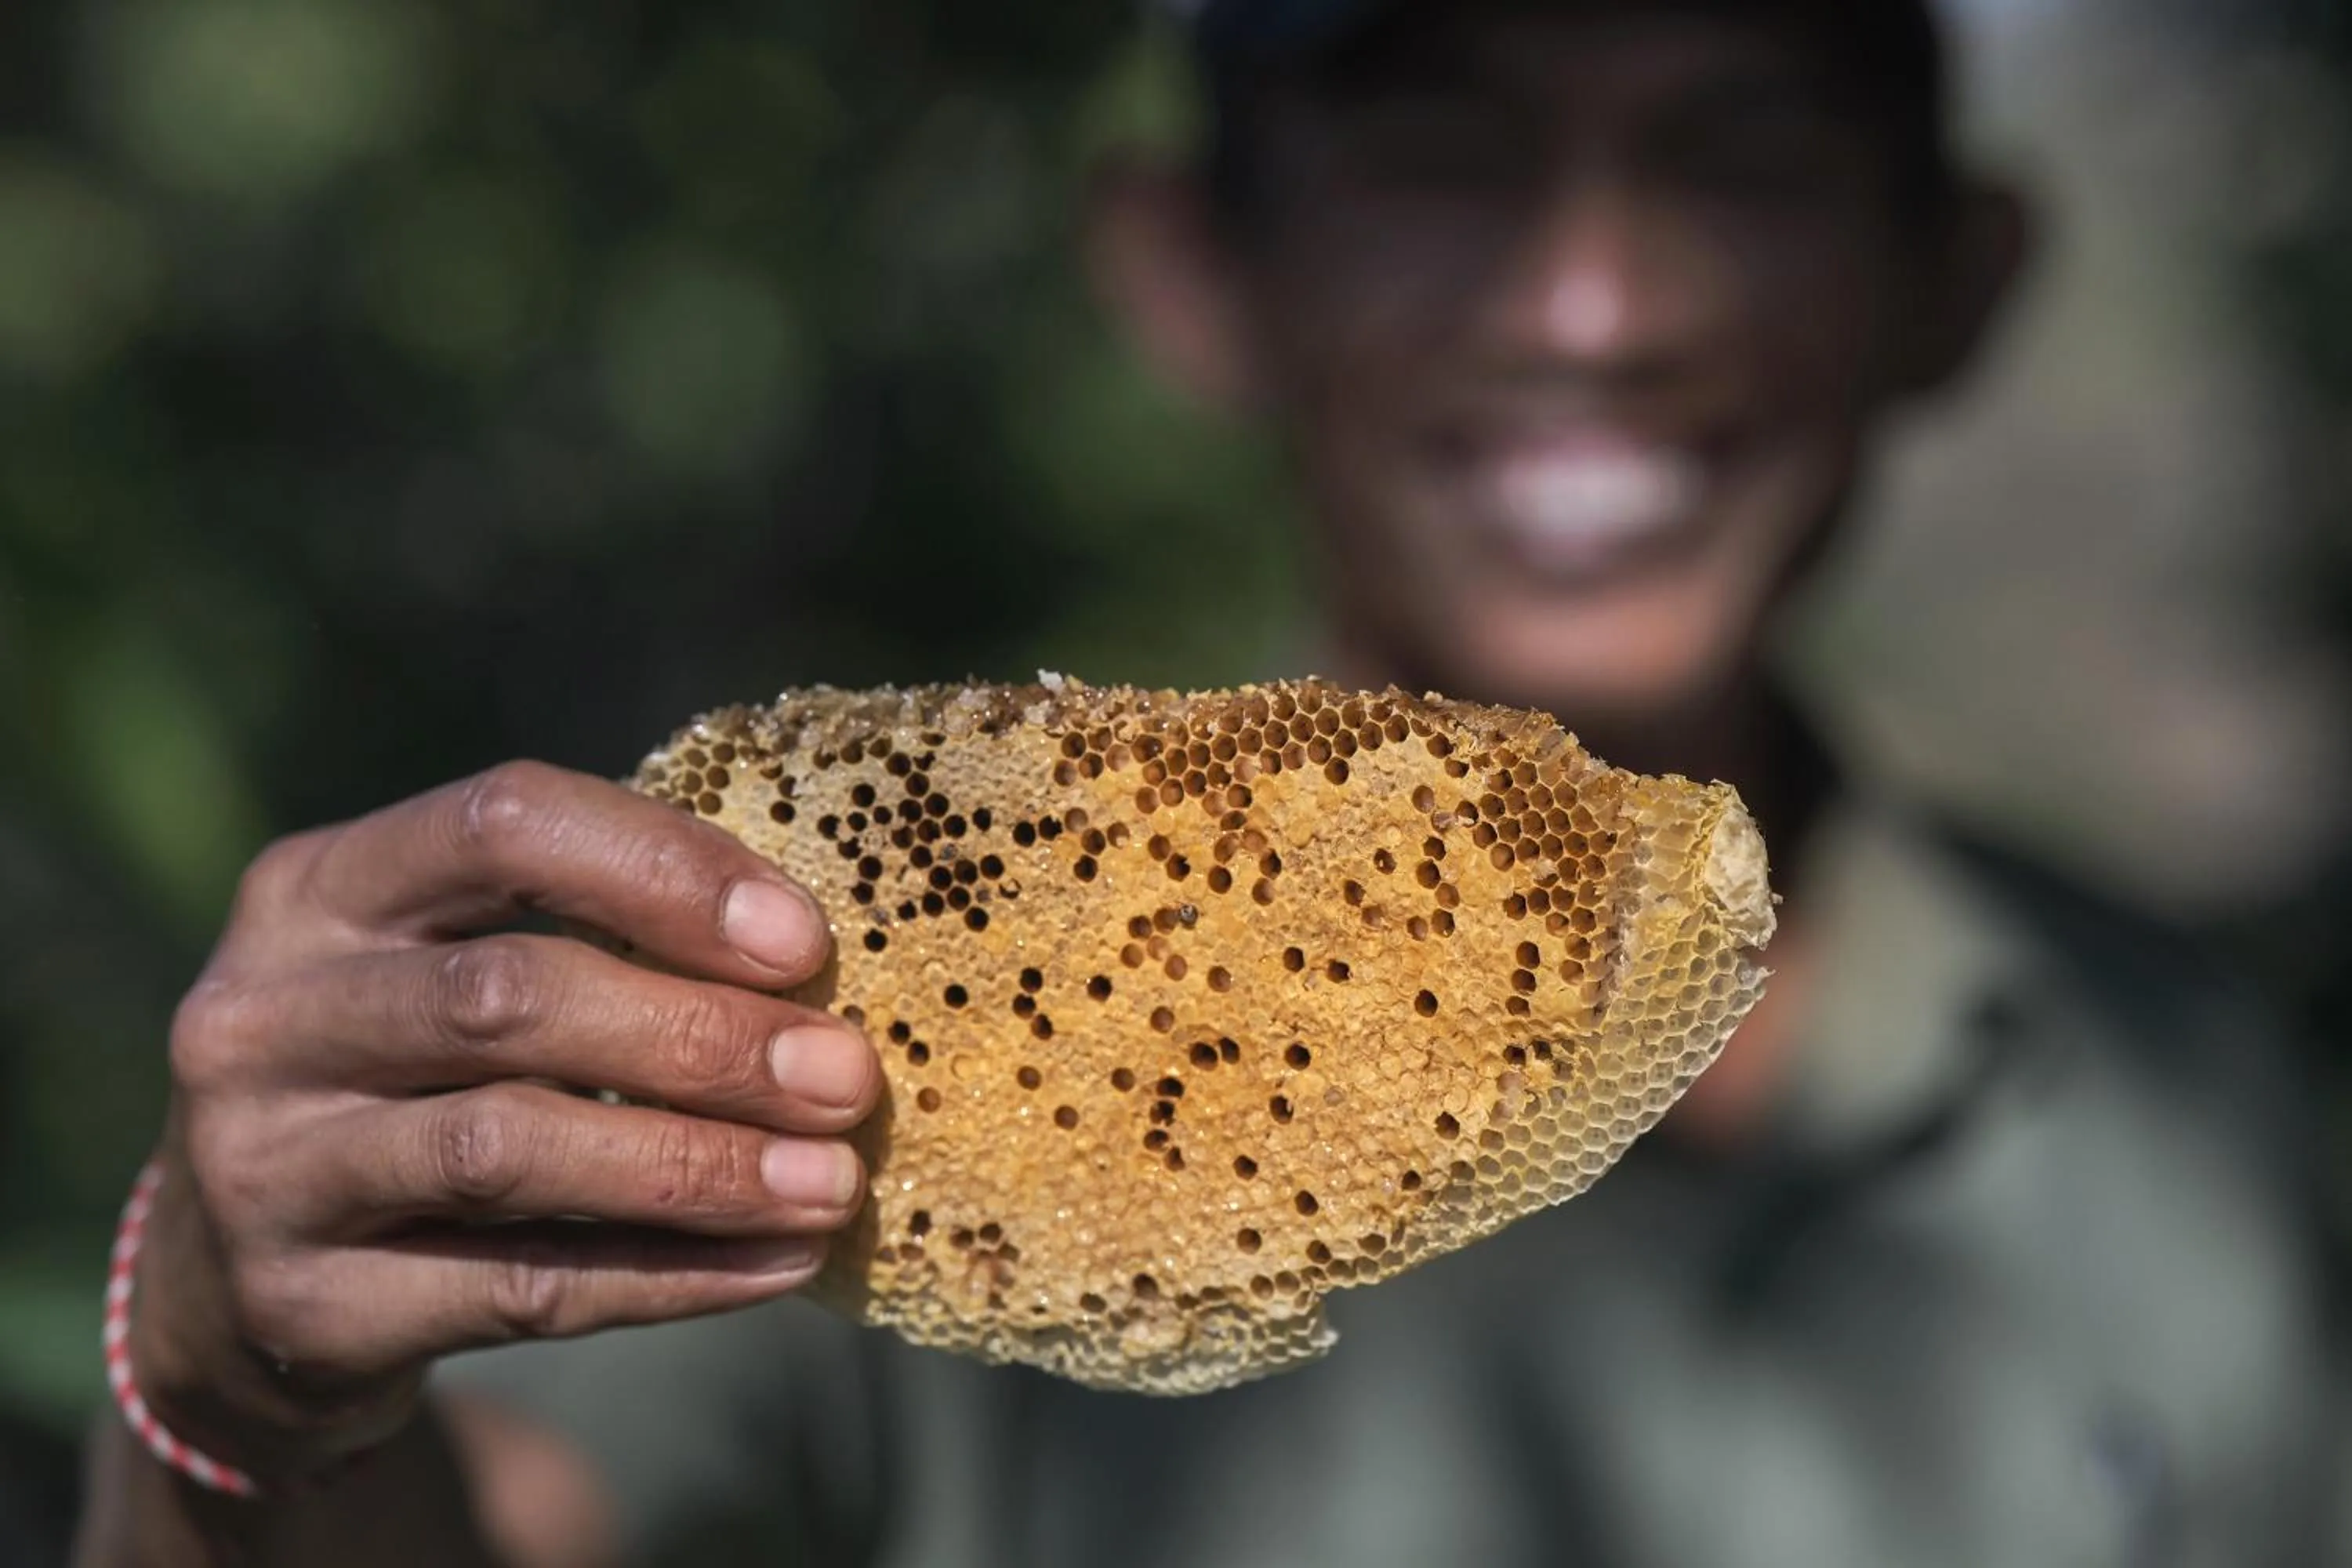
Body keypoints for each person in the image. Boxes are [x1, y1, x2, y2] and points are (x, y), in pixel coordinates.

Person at [75, 2, 2339, 1564]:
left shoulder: (2190, 1092)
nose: (1593, 298)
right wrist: (240, 1397)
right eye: (1439, 148)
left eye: (1744, 147)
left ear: (1952, 278)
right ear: (1190, 274)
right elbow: (504, 1526)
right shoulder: (865, 1008)